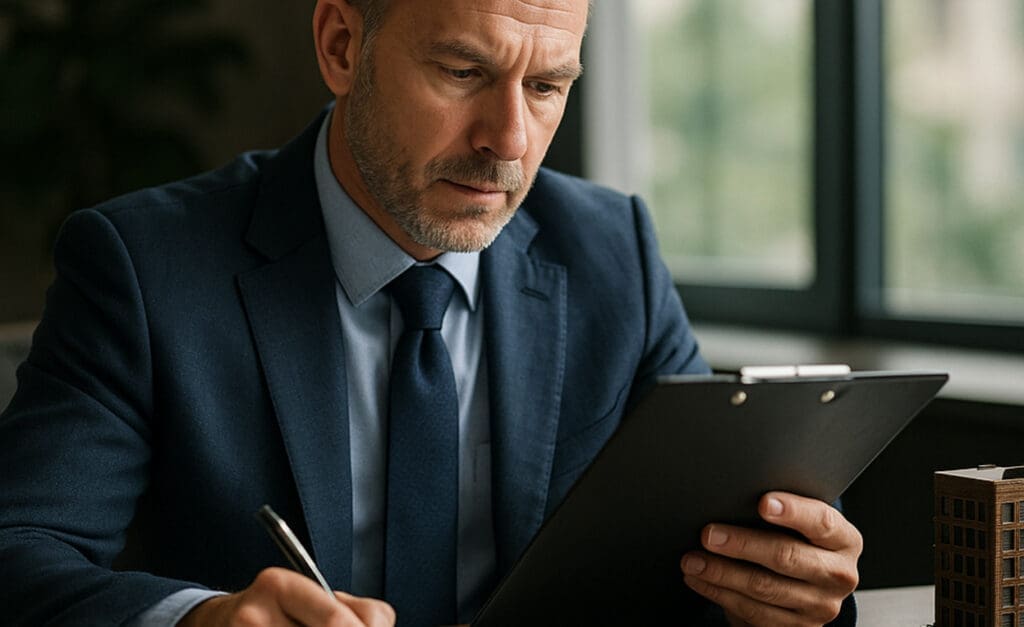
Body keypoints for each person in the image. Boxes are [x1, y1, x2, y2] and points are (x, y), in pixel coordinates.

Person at [0, 0, 862, 625]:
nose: (508, 140)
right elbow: (19, 551)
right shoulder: (142, 265)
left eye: (547, 86)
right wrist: (203, 619)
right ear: (342, 45)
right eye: (463, 72)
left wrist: (783, 586)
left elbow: (703, 547)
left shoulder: (612, 254)